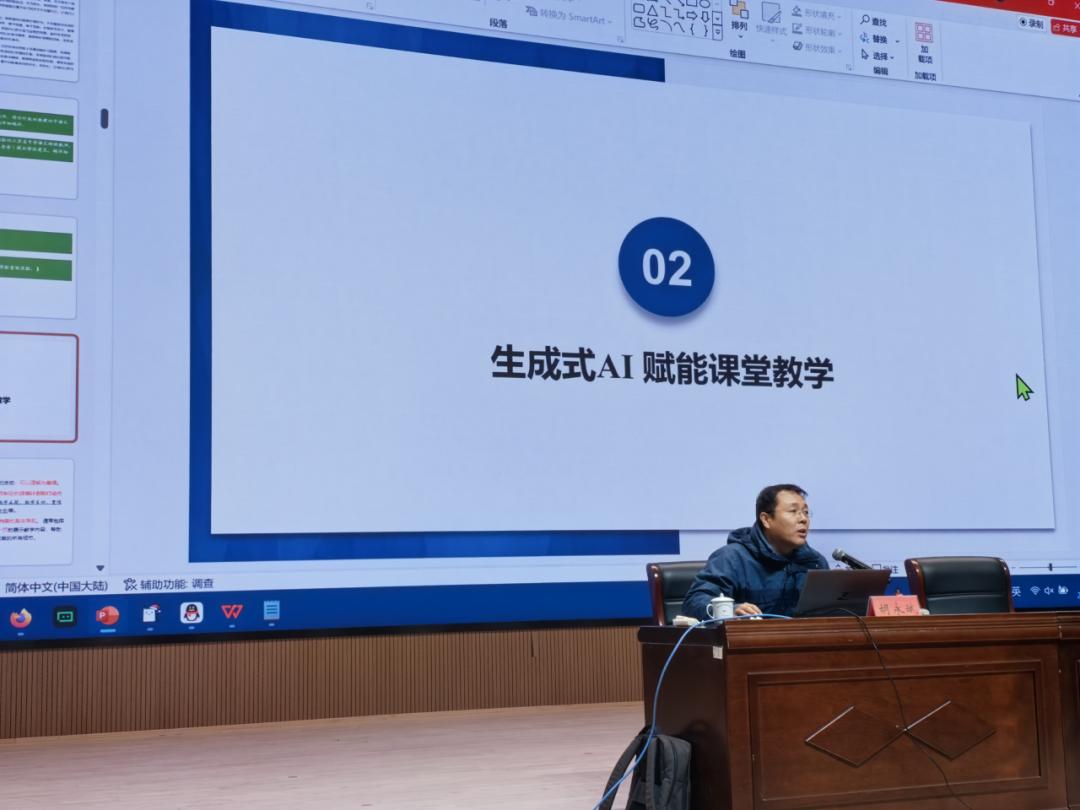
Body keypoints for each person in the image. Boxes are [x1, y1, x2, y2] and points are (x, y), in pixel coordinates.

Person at [681, 484, 830, 619]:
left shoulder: (815, 562)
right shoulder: (732, 559)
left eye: (806, 512)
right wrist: (731, 611)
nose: (803, 519)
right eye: (793, 511)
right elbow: (694, 603)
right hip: (747, 639)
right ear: (766, 520)